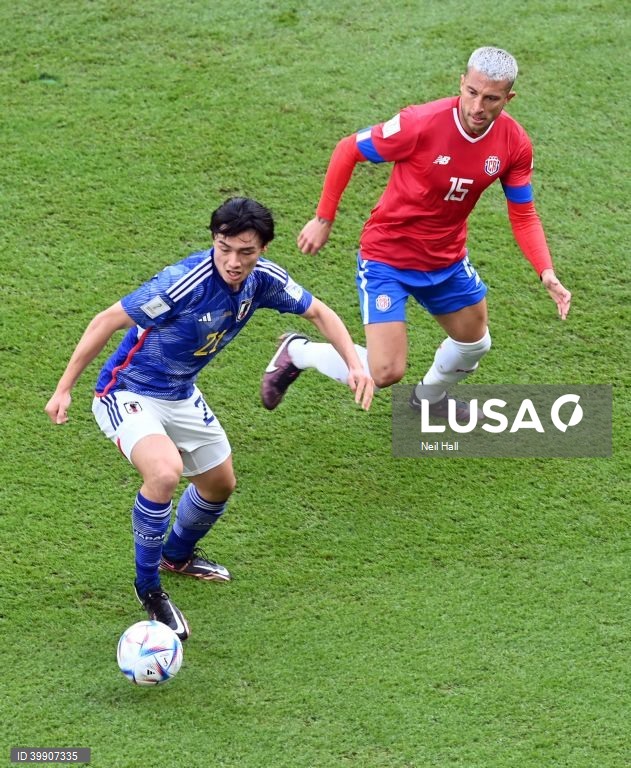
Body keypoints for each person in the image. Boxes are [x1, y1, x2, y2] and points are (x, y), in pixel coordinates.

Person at [45, 197, 373, 640]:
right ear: (214, 242)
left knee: (220, 484)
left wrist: (353, 363)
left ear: (262, 251)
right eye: (224, 248)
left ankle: (176, 556)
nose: (233, 262)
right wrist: (64, 388)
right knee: (164, 473)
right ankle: (149, 590)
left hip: (180, 394)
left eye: (246, 252)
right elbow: (106, 320)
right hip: (127, 392)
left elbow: (318, 312)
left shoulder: (264, 282)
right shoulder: (183, 284)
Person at [260, 47, 571, 416]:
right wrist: (323, 218)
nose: (477, 107)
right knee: (385, 371)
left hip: (447, 260)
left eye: (491, 98)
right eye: (471, 92)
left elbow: (523, 214)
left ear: (508, 98)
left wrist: (546, 270)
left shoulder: (513, 143)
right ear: (461, 83)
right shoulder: (420, 123)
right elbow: (349, 149)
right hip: (387, 257)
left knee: (474, 343)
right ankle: (299, 351)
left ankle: (429, 399)